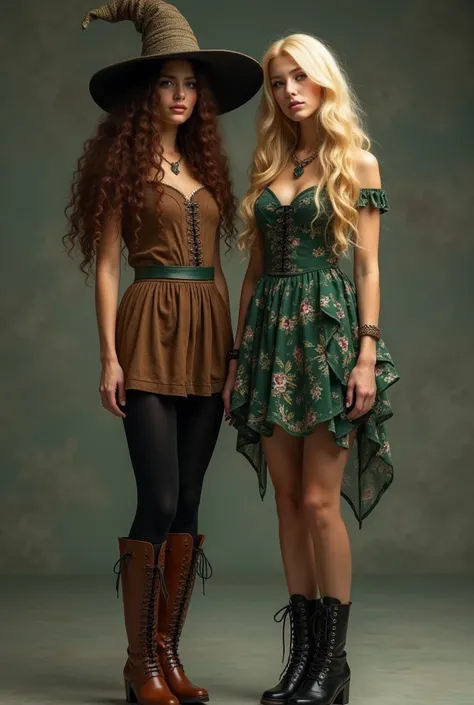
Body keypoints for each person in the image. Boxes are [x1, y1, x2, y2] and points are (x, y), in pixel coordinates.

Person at [64, 2, 262, 704]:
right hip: (147, 326)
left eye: (189, 84)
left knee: (192, 501)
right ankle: (137, 664)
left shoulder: (206, 164)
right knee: (160, 493)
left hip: (208, 330)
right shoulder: (123, 163)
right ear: (147, 93)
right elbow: (110, 266)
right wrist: (108, 356)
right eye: (167, 83)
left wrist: (235, 356)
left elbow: (216, 266)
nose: (180, 95)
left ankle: (168, 655)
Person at [224, 34, 399, 705]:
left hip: (326, 337)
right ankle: (301, 661)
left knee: (323, 503)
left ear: (324, 81)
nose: (289, 89)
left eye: (300, 76)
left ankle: (334, 664)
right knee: (290, 505)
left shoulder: (359, 162)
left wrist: (364, 351)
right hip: (270, 338)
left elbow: (368, 266)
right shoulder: (270, 161)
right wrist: (239, 355)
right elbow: (254, 272)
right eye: (277, 81)